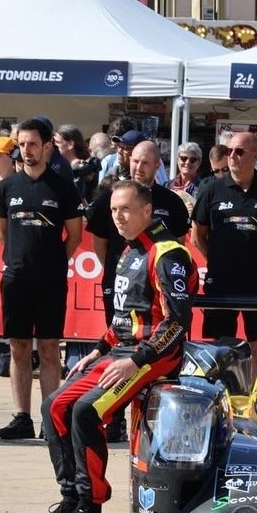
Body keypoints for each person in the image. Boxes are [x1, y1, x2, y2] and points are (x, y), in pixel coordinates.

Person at [27, 181, 197, 513]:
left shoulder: (167, 253)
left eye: (126, 209)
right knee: (53, 407)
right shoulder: (128, 249)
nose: (118, 217)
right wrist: (99, 349)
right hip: (120, 352)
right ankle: (71, 500)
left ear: (147, 211)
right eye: (114, 210)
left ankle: (91, 510)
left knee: (85, 411)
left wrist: (137, 360)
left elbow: (177, 321)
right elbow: (124, 317)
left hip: (154, 357)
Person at [86, 140, 189, 440]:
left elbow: (178, 245)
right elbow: (100, 241)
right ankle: (113, 419)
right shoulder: (112, 195)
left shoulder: (171, 201)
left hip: (155, 291)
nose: (138, 167)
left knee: (148, 355)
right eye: (134, 161)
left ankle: (155, 425)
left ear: (157, 165)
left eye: (145, 162)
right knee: (115, 343)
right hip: (120, 283)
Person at [0, 118, 84, 440]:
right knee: (18, 347)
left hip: (51, 281)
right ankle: (21, 417)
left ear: (46, 147)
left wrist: (53, 261)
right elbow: (1, 234)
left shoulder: (63, 187)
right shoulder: (7, 187)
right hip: (16, 279)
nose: (26, 150)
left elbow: (73, 236)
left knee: (48, 348)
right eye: (22, 144)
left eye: (32, 144)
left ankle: (50, 417)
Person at [192, 131, 257, 377]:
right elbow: (197, 237)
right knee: (220, 346)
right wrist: (218, 261)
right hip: (222, 284)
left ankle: (253, 401)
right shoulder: (211, 190)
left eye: (239, 151)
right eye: (229, 151)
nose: (233, 156)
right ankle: (222, 396)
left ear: (255, 156)